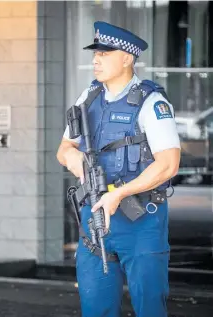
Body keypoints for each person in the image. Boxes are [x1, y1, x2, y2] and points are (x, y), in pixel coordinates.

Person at [57, 21, 181, 317]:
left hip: (140, 220)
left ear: (127, 58)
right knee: (95, 308)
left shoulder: (152, 103)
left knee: (149, 308)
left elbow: (168, 164)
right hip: (95, 217)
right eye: (95, 53)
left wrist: (119, 194)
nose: (96, 59)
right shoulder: (88, 98)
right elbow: (64, 148)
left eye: (105, 53)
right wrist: (72, 159)